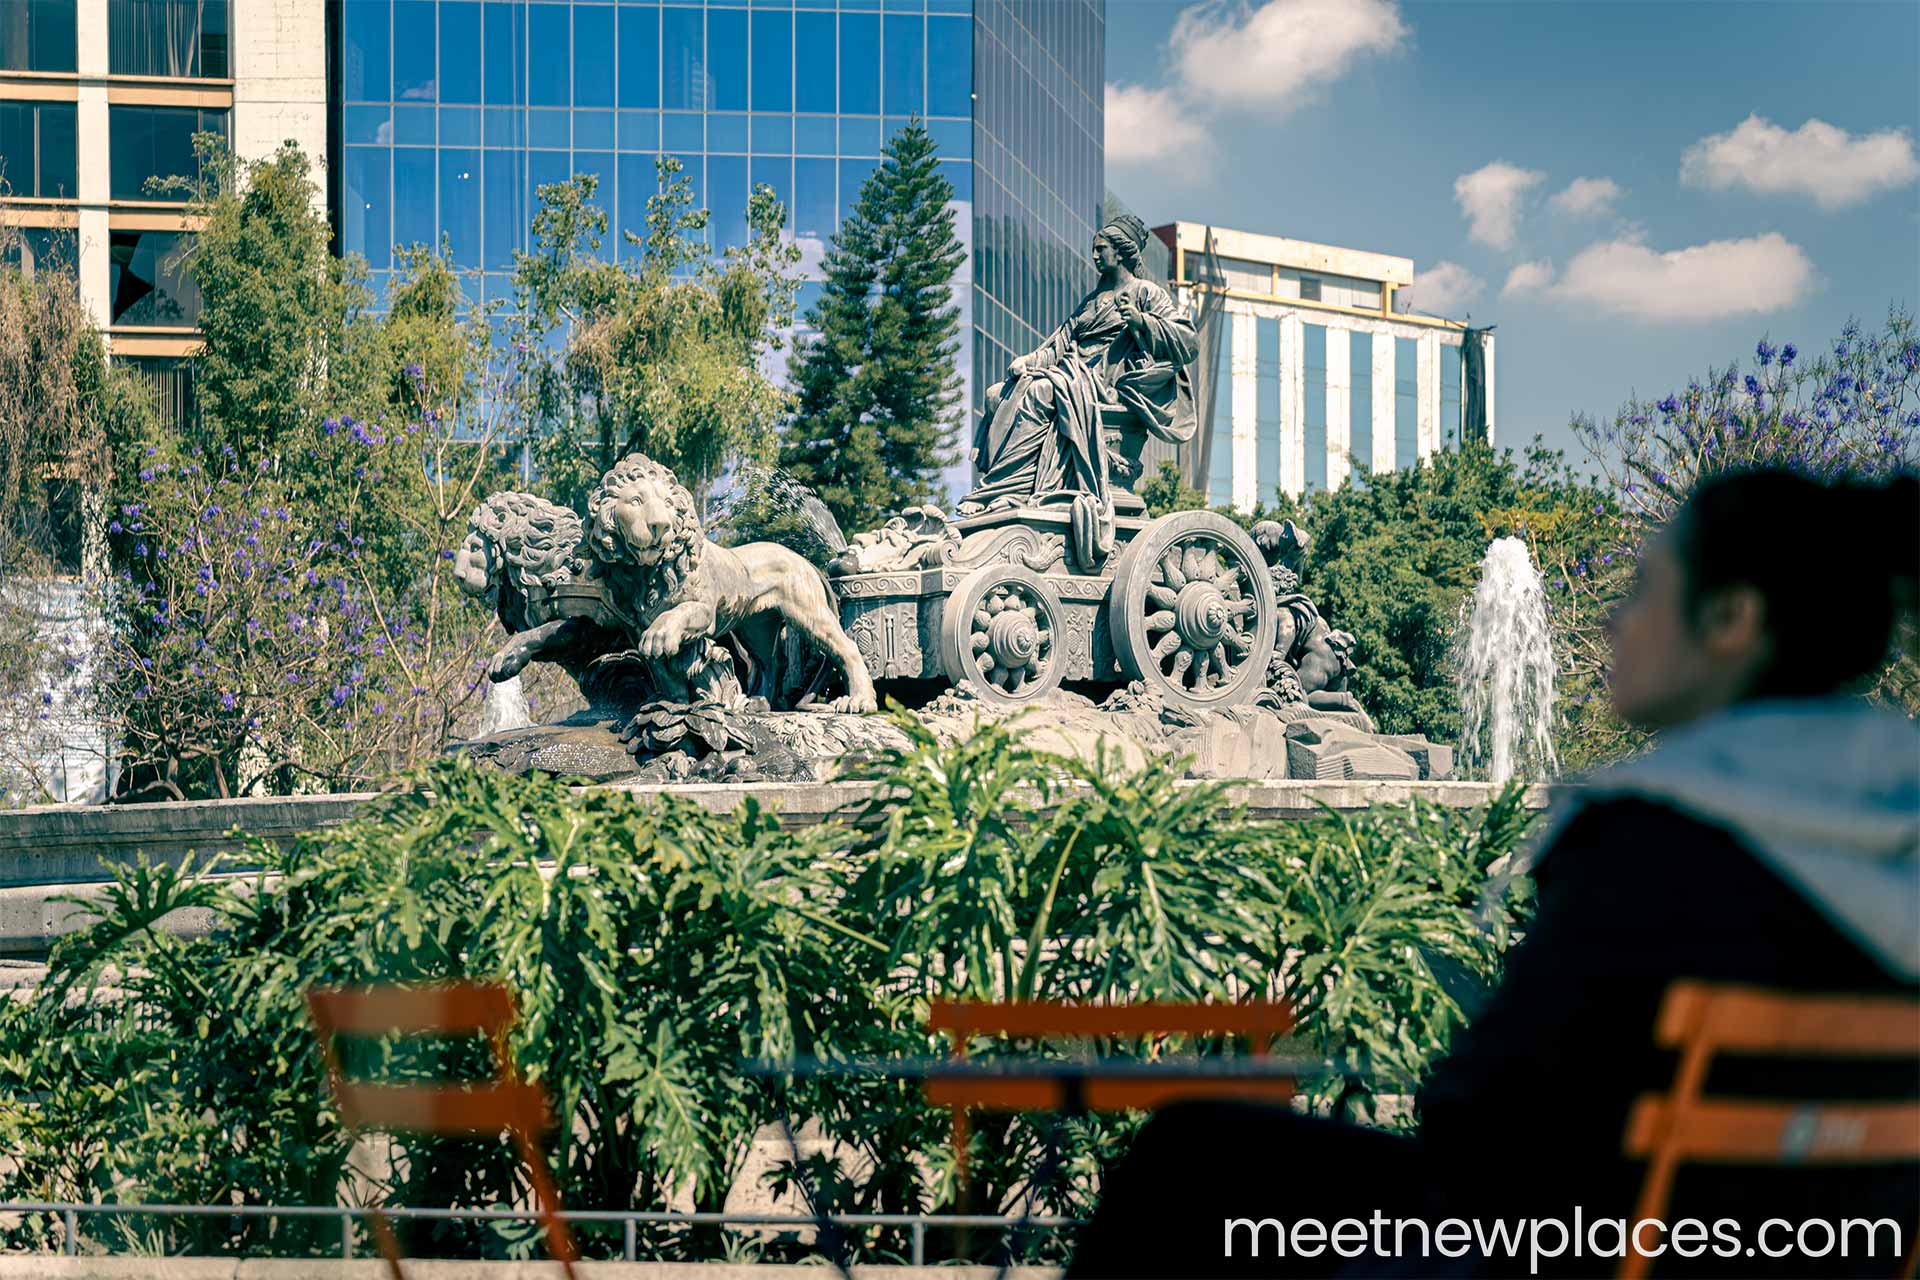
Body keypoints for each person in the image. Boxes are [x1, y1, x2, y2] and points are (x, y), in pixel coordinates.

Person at [1066, 468, 1920, 1279]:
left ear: (1732, 619)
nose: (1616, 623)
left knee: (1196, 1154)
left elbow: (1480, 1121)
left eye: (1644, 591)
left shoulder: (1656, 837)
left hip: (1574, 1251)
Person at [961, 213, 1198, 561]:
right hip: (1073, 372)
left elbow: (1188, 341)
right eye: (1094, 249)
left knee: (1041, 392)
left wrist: (1141, 321)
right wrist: (1030, 361)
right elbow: (1059, 343)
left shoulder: (1146, 293)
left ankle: (1009, 489)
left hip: (1105, 383)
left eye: (1101, 249)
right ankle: (1001, 489)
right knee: (998, 394)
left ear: (1121, 252)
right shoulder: (1092, 299)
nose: (1095, 256)